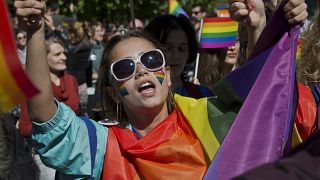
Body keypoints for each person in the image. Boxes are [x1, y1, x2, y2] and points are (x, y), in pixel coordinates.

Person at [14, 0, 307, 179]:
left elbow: (265, 107)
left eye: (152, 60)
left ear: (167, 75)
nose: (141, 70)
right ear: (115, 91)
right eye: (125, 68)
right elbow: (46, 118)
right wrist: (36, 30)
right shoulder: (102, 146)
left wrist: (258, 26)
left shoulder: (208, 116)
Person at [18, 38, 80, 180]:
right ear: (43, 58)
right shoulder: (32, 87)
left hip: (76, 150)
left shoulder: (71, 80)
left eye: (63, 53)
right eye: (57, 54)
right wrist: (52, 130)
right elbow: (24, 127)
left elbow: (79, 114)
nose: (64, 57)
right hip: (49, 156)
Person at [145, 14, 214, 99]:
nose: (175, 56)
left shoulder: (203, 95)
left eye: (181, 49)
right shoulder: (140, 98)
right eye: (167, 48)